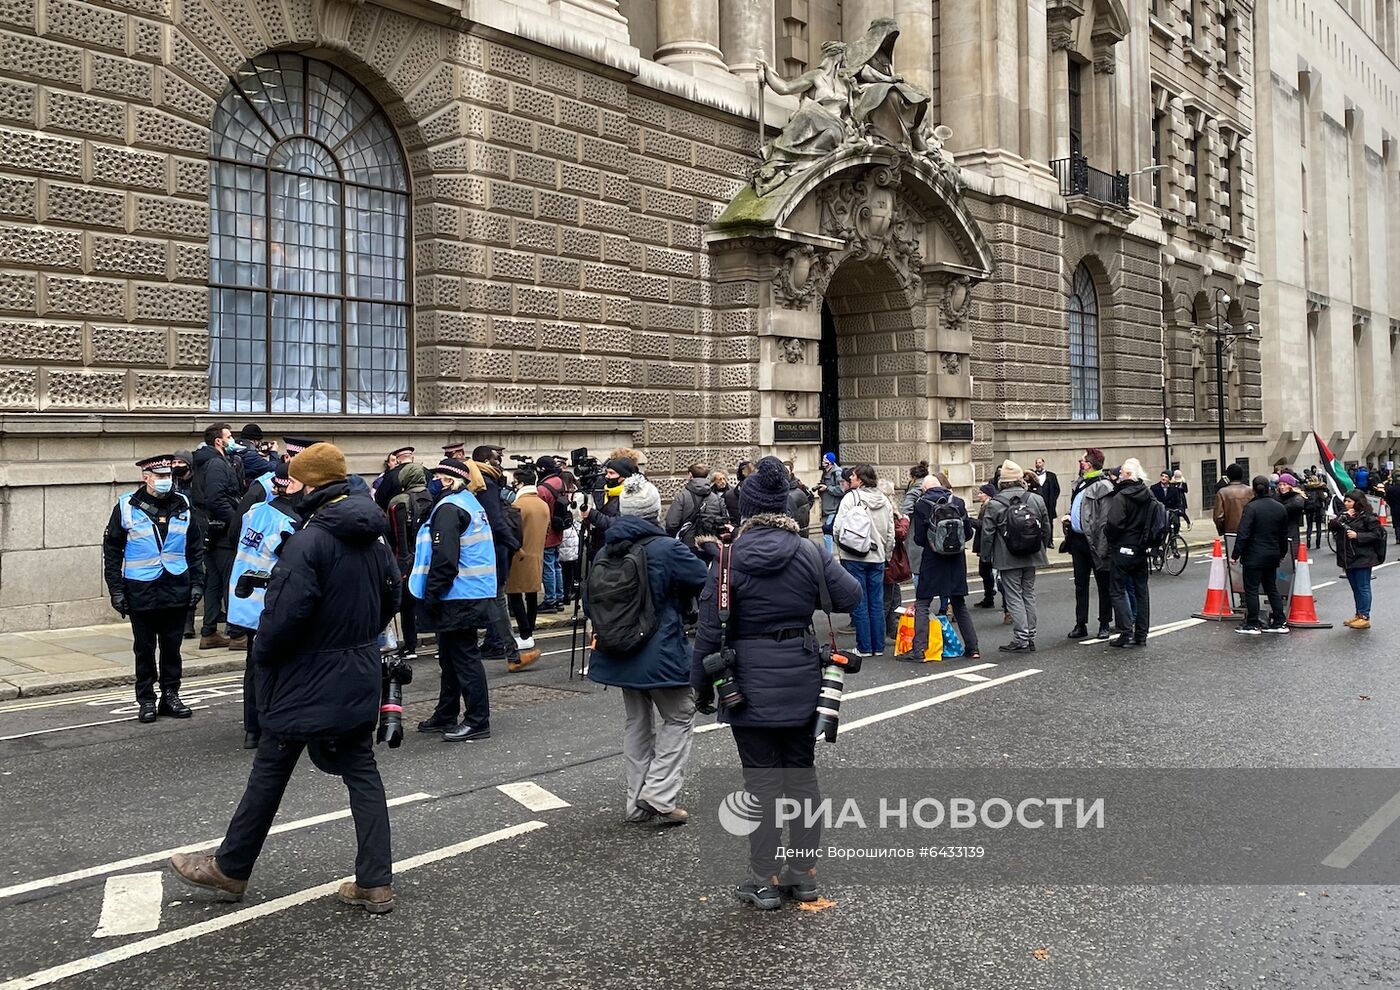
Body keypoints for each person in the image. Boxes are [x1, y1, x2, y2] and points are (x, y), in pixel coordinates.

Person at [170, 442, 401, 914]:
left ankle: (231, 869)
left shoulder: (309, 540)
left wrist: (268, 659)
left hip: (305, 674)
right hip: (358, 668)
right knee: (362, 772)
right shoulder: (373, 538)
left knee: (270, 771)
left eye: (293, 480)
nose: (287, 487)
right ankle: (375, 882)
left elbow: (281, 617)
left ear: (312, 485)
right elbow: (392, 597)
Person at [690, 456, 862, 909]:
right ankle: (803, 875)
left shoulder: (728, 560)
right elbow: (851, 596)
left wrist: (700, 688)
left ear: (744, 509)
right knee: (801, 779)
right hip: (803, 676)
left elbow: (708, 632)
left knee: (761, 785)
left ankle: (763, 876)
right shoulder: (808, 552)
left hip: (745, 682)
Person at [587, 474, 708, 825]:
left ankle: (636, 802)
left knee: (637, 723)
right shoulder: (666, 548)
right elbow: (703, 578)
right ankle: (658, 794)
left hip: (618, 647)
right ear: (655, 512)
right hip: (661, 647)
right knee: (681, 713)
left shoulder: (604, 551)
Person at [103, 455, 206, 724]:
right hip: (141, 589)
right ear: (145, 477)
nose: (165, 482)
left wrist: (197, 583)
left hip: (175, 587)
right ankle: (146, 699)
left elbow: (194, 548)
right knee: (144, 649)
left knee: (173, 648)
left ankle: (170, 695)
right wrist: (116, 590)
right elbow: (112, 551)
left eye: (168, 477)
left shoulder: (183, 504)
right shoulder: (127, 506)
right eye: (160, 477)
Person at [412, 458, 498, 741]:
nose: (432, 482)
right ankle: (446, 712)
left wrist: (433, 593)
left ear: (449, 481)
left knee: (463, 657)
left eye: (437, 477)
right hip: (469, 591)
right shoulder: (468, 502)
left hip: (459, 594)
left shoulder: (450, 508)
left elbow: (445, 559)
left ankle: (477, 720)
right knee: (450, 657)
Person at [226, 463, 302, 748]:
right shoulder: (291, 523)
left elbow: (236, 540)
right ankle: (275, 724)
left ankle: (252, 729)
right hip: (272, 606)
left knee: (253, 666)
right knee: (278, 665)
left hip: (244, 601)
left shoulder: (254, 512)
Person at [907, 474, 980, 661]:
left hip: (932, 561)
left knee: (923, 603)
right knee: (959, 604)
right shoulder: (958, 502)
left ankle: (919, 651)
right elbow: (968, 533)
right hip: (956, 561)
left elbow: (919, 539)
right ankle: (973, 649)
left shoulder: (921, 505)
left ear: (924, 489)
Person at [981, 460, 1051, 653]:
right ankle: (1031, 635)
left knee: (1013, 597)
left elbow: (987, 534)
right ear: (1021, 480)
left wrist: (986, 557)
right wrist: (1040, 547)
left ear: (1002, 482)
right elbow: (1046, 527)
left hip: (1007, 557)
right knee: (1028, 593)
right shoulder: (1036, 499)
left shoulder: (995, 504)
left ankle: (1021, 638)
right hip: (1032, 554)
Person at [469, 445, 524, 670]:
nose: (500, 463)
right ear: (485, 461)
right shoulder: (486, 484)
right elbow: (495, 519)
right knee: (497, 599)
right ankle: (511, 654)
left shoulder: (473, 482)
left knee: (489, 599)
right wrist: (515, 545)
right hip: (491, 550)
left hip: (477, 552)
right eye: (496, 459)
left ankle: (507, 653)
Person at [832, 462, 895, 658]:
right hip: (877, 557)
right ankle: (878, 646)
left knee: (860, 601)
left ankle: (864, 647)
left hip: (854, 556)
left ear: (859, 479)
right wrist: (886, 555)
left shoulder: (851, 498)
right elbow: (891, 533)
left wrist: (842, 547)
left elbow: (837, 528)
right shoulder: (884, 500)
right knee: (876, 601)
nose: (849, 478)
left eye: (852, 476)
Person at [193, 423, 243, 650]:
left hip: (211, 530)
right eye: (230, 436)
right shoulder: (216, 464)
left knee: (213, 582)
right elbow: (217, 499)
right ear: (219, 441)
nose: (233, 440)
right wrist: (236, 522)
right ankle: (236, 634)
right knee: (228, 582)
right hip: (222, 532)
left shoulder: (208, 462)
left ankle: (209, 632)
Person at [385, 462, 433, 662]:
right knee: (430, 600)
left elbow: (397, 537)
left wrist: (401, 566)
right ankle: (441, 642)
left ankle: (410, 645)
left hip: (408, 558)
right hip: (430, 556)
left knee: (407, 606)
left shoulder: (399, 502)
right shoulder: (432, 497)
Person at [1231, 476, 1291, 635]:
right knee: (1272, 588)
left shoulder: (1251, 508)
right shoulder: (1279, 508)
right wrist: (1282, 553)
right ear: (1269, 488)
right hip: (1272, 554)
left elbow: (1243, 533)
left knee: (1251, 590)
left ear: (1253, 489)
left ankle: (1252, 624)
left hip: (1253, 555)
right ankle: (1279, 621)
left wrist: (1235, 554)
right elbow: (1283, 534)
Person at [1065, 449, 1115, 640]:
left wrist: (1103, 546)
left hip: (1094, 542)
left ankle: (1104, 623)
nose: (1080, 462)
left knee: (1103, 584)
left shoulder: (1104, 486)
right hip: (1077, 541)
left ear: (1091, 464)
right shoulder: (1080, 483)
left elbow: (1104, 520)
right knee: (1080, 584)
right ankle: (1081, 624)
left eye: (1083, 460)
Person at [1105, 459, 1154, 648]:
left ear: (1126, 475)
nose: (1118, 477)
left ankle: (1125, 632)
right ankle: (1141, 634)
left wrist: (1109, 537)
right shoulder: (1148, 494)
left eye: (1121, 474)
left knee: (1117, 590)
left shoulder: (1122, 496)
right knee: (1142, 591)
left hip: (1123, 547)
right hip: (1141, 548)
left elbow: (1114, 524)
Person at [505, 466, 548, 671]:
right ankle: (528, 630)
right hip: (537, 553)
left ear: (520, 483)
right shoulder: (542, 504)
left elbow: (512, 531)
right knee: (531, 595)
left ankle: (524, 634)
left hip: (519, 554)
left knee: (514, 595)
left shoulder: (518, 505)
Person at [1330, 491, 1384, 629]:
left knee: (1363, 587)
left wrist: (1358, 535)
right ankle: (1358, 614)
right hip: (1348, 558)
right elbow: (1332, 526)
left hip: (1363, 556)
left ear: (1358, 502)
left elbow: (1377, 534)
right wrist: (1342, 517)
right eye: (1346, 501)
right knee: (1355, 588)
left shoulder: (1368, 517)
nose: (1346, 504)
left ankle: (1365, 616)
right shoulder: (1345, 515)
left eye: (1349, 501)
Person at [535, 456, 569, 612]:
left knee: (548, 567)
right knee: (556, 565)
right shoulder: (560, 482)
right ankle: (559, 598)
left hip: (547, 531)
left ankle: (550, 600)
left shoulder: (542, 489)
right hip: (558, 529)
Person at [665, 463, 725, 548]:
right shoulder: (717, 499)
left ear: (690, 475)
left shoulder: (682, 497)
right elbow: (723, 521)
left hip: (687, 546)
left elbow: (671, 524)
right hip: (711, 546)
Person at [971, 483, 999, 609]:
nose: (979, 495)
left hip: (988, 545)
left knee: (986, 571)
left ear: (987, 494)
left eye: (981, 493)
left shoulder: (989, 507)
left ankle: (990, 596)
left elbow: (985, 525)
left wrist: (971, 521)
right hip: (984, 543)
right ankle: (989, 596)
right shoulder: (985, 506)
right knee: (985, 571)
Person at [1213, 462, 1253, 536]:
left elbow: (1218, 517)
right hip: (1249, 531)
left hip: (1230, 532)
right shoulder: (1250, 491)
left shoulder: (1222, 492)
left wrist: (1222, 531)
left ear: (1228, 476)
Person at [815, 452, 843, 555]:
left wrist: (828, 488)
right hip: (827, 507)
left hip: (833, 508)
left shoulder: (837, 473)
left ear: (830, 462)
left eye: (825, 460)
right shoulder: (826, 472)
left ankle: (829, 556)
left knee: (827, 532)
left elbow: (841, 490)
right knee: (830, 533)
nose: (823, 462)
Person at [372, 445, 416, 510]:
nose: (395, 463)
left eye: (395, 460)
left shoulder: (391, 476)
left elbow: (380, 498)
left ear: (398, 461)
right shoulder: (385, 477)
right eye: (392, 460)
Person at [1274, 473, 1306, 553]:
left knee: (1291, 558)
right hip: (1278, 534)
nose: (1282, 487)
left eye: (1284, 485)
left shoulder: (1297, 498)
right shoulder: (1276, 497)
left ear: (1290, 486)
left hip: (1291, 533)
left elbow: (1297, 505)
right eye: (1280, 485)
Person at [784, 460, 815, 534]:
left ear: (791, 471)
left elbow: (810, 498)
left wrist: (801, 512)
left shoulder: (799, 484)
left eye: (787, 470)